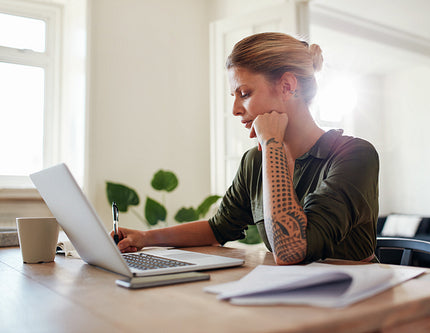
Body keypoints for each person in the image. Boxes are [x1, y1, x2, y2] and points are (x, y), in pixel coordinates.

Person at [113, 32, 379, 265]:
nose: (235, 110)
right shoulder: (254, 160)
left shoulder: (355, 156)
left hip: (359, 302)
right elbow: (218, 229)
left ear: (287, 86)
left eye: (245, 93)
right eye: (234, 96)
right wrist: (144, 238)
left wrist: (272, 144)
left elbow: (291, 250)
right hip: (290, 296)